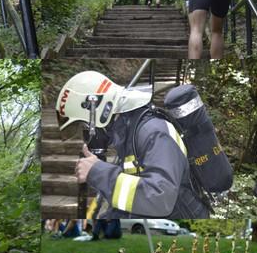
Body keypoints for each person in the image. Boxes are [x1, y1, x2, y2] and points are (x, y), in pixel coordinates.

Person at [56, 70, 209, 219]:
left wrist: (97, 172)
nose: (87, 135)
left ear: (99, 109)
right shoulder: (128, 132)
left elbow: (160, 198)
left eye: (85, 126)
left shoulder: (154, 132)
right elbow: (133, 192)